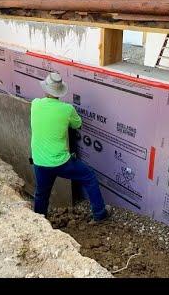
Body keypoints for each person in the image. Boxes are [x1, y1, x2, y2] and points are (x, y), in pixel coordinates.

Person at [30, 72, 109, 222]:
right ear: (60, 92)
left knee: (41, 193)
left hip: (39, 161)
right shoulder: (67, 109)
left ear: (46, 90)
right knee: (89, 177)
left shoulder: (35, 104)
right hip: (60, 162)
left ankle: (39, 224)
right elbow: (77, 124)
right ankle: (100, 214)